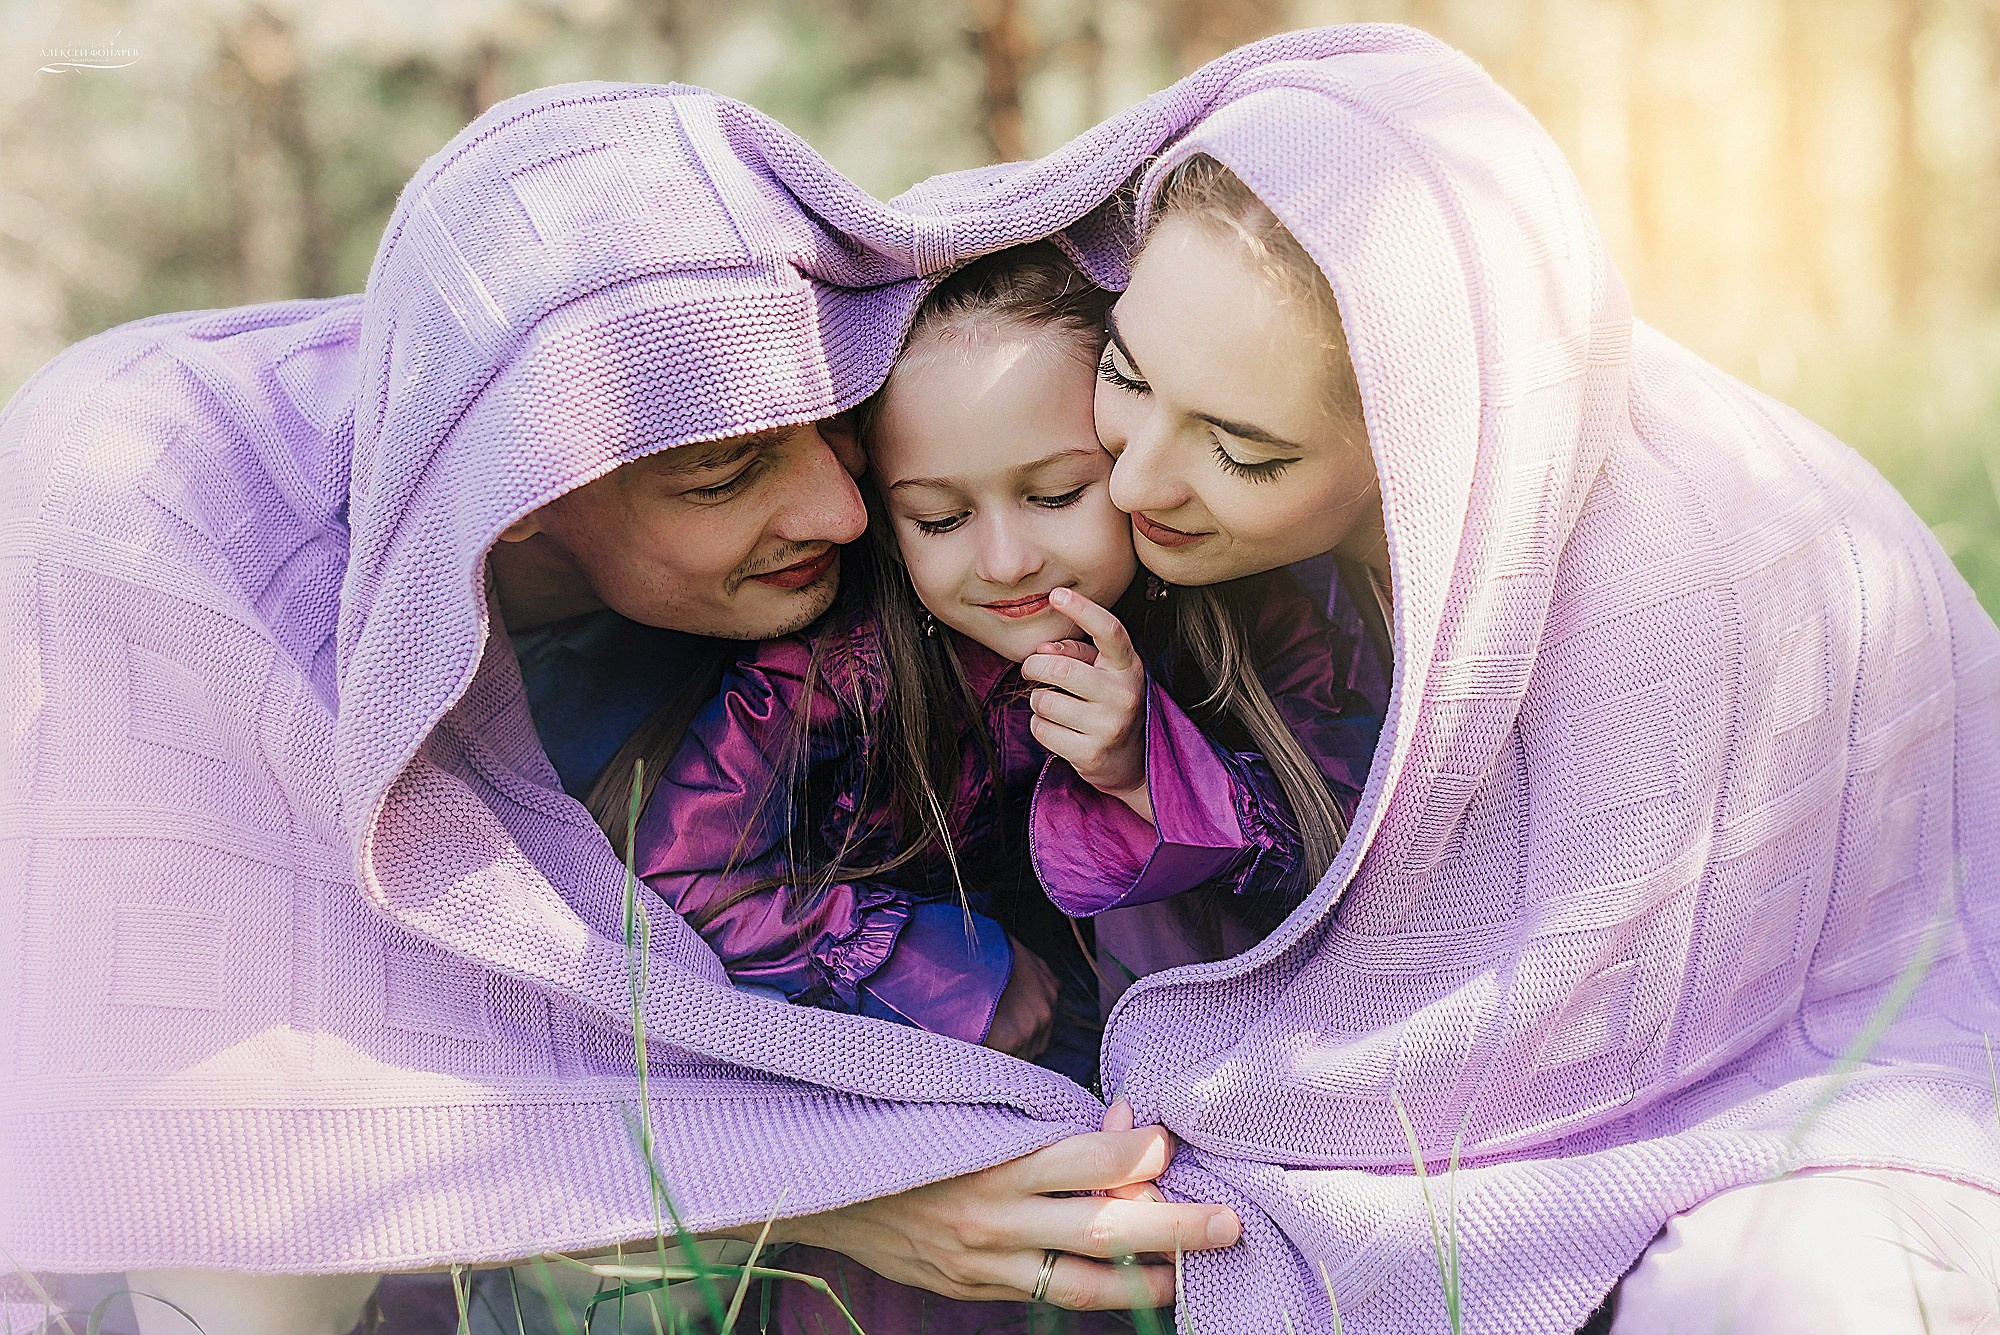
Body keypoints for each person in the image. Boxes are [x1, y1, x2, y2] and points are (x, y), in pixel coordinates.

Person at [4, 64, 1343, 1334]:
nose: (842, 514)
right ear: (518, 498)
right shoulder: (152, 534)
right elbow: (307, 1086)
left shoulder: (870, 544)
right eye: (723, 477)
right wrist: (828, 1180)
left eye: (837, 431)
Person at [1080, 53, 2000, 1335]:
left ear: (1420, 441)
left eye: (1241, 450)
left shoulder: (1674, 585)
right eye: (1125, 373)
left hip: (1831, 1085)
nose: (1131, 484)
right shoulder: (1145, 495)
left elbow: (1578, 1043)